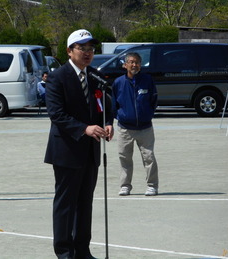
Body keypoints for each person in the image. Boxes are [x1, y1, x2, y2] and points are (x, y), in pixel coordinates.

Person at [44, 29, 114, 259]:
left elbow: (106, 105)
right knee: (66, 205)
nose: (87, 53)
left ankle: (83, 250)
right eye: (82, 48)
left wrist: (108, 123)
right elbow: (57, 114)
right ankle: (65, 253)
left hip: (91, 152)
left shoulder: (95, 76)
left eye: (91, 48)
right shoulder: (57, 77)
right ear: (69, 51)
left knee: (85, 204)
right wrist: (84, 128)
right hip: (66, 150)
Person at [112, 52, 159, 196]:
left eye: (137, 62)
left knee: (149, 157)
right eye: (131, 62)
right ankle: (125, 185)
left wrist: (148, 114)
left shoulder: (147, 80)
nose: (134, 65)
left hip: (145, 128)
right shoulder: (118, 82)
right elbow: (114, 104)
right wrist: (121, 116)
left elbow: (154, 99)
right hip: (125, 128)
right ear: (125, 65)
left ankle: (152, 186)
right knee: (124, 157)